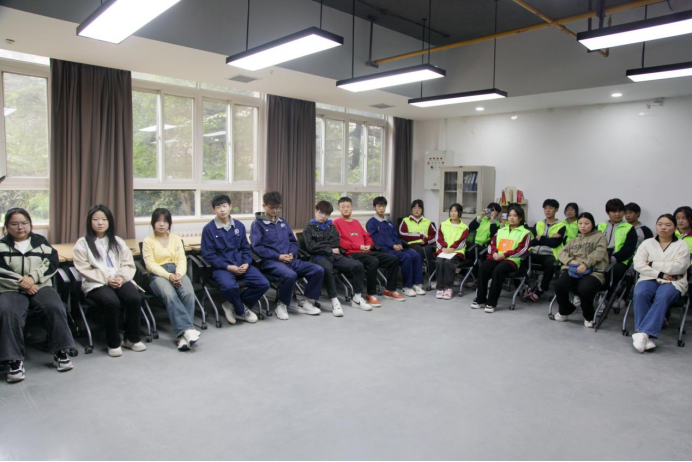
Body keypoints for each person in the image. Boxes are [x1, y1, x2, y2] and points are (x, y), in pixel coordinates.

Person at [0, 208, 75, 383]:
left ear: (30, 225)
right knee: (8, 312)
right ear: (6, 227)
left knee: (55, 307)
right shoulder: (1, 245)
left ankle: (61, 351)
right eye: (14, 224)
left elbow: (51, 263)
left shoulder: (41, 243)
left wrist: (33, 278)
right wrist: (22, 283)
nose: (20, 227)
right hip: (10, 288)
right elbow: (2, 271)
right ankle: (14, 361)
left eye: (24, 223)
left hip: (39, 285)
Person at [73, 205, 146, 358]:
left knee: (134, 298)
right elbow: (84, 268)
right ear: (90, 222)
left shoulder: (118, 241)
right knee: (111, 301)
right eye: (96, 219)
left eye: (104, 219)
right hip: (96, 282)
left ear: (110, 222)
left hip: (119, 279)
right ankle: (113, 343)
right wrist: (107, 279)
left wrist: (121, 277)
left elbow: (128, 263)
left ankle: (131, 339)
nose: (100, 223)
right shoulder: (82, 243)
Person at [251, 192, 325, 321]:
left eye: (277, 208)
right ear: (264, 205)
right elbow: (258, 248)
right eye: (272, 207)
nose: (275, 211)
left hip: (289, 260)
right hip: (271, 262)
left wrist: (291, 253)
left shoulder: (283, 222)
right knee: (290, 275)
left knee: (318, 270)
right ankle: (282, 304)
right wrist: (278, 257)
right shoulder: (257, 224)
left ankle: (305, 301)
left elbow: (293, 242)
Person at [201, 194, 267, 325]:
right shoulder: (209, 229)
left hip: (241, 265)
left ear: (230, 207)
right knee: (229, 286)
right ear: (214, 210)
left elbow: (246, 249)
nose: (222, 210)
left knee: (263, 283)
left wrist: (246, 263)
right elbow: (209, 255)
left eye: (224, 206)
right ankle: (241, 310)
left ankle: (231, 304)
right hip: (222, 268)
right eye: (218, 207)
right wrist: (228, 267)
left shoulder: (239, 226)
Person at [142, 208, 200, 352]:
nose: (162, 224)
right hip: (158, 274)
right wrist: (169, 276)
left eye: (165, 221)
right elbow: (150, 265)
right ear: (153, 223)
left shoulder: (176, 239)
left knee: (188, 293)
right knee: (170, 294)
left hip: (177, 271)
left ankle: (183, 337)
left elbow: (181, 259)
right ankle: (188, 330)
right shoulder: (148, 241)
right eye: (158, 221)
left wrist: (178, 274)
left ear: (169, 223)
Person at [632, 214, 690, 353]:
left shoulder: (681, 245)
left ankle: (642, 333)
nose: (663, 227)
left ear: (675, 228)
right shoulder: (647, 243)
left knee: (663, 296)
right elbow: (638, 264)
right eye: (660, 224)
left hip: (674, 281)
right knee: (640, 293)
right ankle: (645, 336)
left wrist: (652, 264)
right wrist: (660, 274)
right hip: (649, 278)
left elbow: (679, 267)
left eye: (668, 225)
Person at [303, 201, 372, 317]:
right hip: (319, 257)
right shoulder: (308, 228)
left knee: (358, 265)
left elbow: (336, 242)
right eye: (321, 213)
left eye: (326, 214)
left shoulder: (331, 226)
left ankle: (357, 298)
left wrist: (325, 247)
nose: (323, 216)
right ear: (315, 211)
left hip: (335, 256)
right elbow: (311, 247)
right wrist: (329, 249)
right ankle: (335, 301)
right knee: (327, 269)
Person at [333, 197, 403, 303]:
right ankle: (371, 294)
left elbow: (367, 236)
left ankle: (389, 289)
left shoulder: (356, 222)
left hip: (366, 251)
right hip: (351, 254)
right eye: (343, 207)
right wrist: (359, 247)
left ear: (352, 208)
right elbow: (340, 242)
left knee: (393, 259)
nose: (345, 209)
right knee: (373, 261)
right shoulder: (336, 223)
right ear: (339, 208)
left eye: (348, 206)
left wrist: (369, 245)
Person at [471, 204, 532, 313]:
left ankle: (491, 303)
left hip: (511, 260)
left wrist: (505, 255)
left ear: (521, 218)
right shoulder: (501, 230)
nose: (512, 218)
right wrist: (494, 253)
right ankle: (480, 299)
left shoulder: (525, 233)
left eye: (515, 216)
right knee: (483, 268)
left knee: (498, 271)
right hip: (496, 257)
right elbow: (492, 244)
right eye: (510, 215)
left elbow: (522, 250)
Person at [554, 213, 610, 328]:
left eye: (586, 223)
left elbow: (599, 253)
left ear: (592, 224)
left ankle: (589, 316)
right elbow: (562, 252)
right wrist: (569, 261)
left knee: (585, 289)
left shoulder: (600, 237)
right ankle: (566, 309)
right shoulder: (575, 239)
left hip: (594, 271)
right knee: (559, 285)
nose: (583, 226)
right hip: (573, 270)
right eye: (580, 223)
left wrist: (586, 264)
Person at [367, 197, 426, 297]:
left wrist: (399, 244)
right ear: (374, 207)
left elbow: (396, 236)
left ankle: (417, 284)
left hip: (396, 247)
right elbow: (377, 239)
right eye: (379, 206)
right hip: (384, 249)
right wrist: (393, 245)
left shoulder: (389, 223)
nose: (381, 208)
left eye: (383, 206)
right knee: (406, 257)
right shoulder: (371, 222)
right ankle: (407, 286)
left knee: (416, 255)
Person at [597, 198, 638, 303]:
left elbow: (628, 249)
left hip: (619, 261)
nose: (617, 214)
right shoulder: (600, 226)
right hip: (599, 258)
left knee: (612, 271)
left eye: (620, 211)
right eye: (614, 211)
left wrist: (613, 258)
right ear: (608, 213)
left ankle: (604, 295)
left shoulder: (629, 228)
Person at [527, 199, 567, 302]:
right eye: (545, 208)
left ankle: (541, 289)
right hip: (534, 252)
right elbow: (532, 241)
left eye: (551, 208)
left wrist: (540, 238)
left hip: (549, 254)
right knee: (521, 258)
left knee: (551, 263)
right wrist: (549, 239)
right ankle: (526, 285)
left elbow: (555, 243)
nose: (548, 210)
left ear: (556, 210)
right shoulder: (538, 224)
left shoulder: (562, 226)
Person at [434, 204, 469, 300]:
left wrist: (453, 248)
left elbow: (462, 241)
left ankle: (448, 288)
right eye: (451, 211)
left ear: (460, 213)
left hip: (457, 252)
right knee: (439, 262)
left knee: (448, 263)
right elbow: (438, 239)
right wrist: (443, 248)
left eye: (455, 211)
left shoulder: (464, 227)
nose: (453, 213)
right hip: (443, 251)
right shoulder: (443, 224)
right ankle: (440, 288)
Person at [398, 200, 437, 273]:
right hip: (412, 244)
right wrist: (420, 236)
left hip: (425, 243)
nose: (416, 210)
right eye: (414, 208)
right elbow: (402, 234)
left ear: (422, 210)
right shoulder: (405, 220)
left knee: (429, 250)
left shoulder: (427, 221)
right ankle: (418, 273)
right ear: (411, 210)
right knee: (419, 249)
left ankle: (432, 276)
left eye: (419, 208)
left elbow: (433, 235)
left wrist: (426, 240)